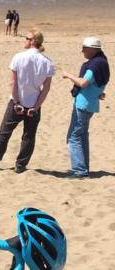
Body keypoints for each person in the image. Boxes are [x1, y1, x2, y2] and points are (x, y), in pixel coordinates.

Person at [0, 28, 55, 174]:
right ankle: (20, 165)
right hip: (34, 102)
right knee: (28, 136)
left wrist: (17, 103)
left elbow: (13, 83)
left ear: (33, 41)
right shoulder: (47, 62)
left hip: (17, 102)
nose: (24, 39)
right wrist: (36, 107)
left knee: (5, 132)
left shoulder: (18, 57)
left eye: (26, 38)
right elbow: (45, 89)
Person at [62, 37, 110, 178]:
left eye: (84, 48)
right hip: (91, 104)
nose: (82, 51)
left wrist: (68, 75)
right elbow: (98, 84)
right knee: (82, 136)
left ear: (92, 49)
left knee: (73, 137)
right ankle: (83, 168)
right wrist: (99, 93)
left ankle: (80, 171)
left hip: (83, 104)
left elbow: (84, 82)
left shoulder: (95, 64)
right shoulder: (103, 63)